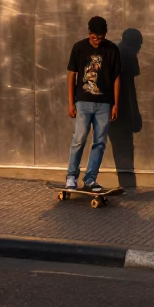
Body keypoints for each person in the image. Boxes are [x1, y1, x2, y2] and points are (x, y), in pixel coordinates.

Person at [65, 16, 121, 193]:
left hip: (104, 103)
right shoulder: (79, 47)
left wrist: (115, 104)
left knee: (99, 142)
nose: (96, 41)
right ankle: (71, 176)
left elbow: (116, 78)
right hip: (83, 101)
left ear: (105, 34)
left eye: (100, 37)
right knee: (79, 139)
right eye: (93, 37)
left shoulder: (112, 49)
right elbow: (71, 75)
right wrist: (71, 102)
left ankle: (90, 179)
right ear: (89, 33)